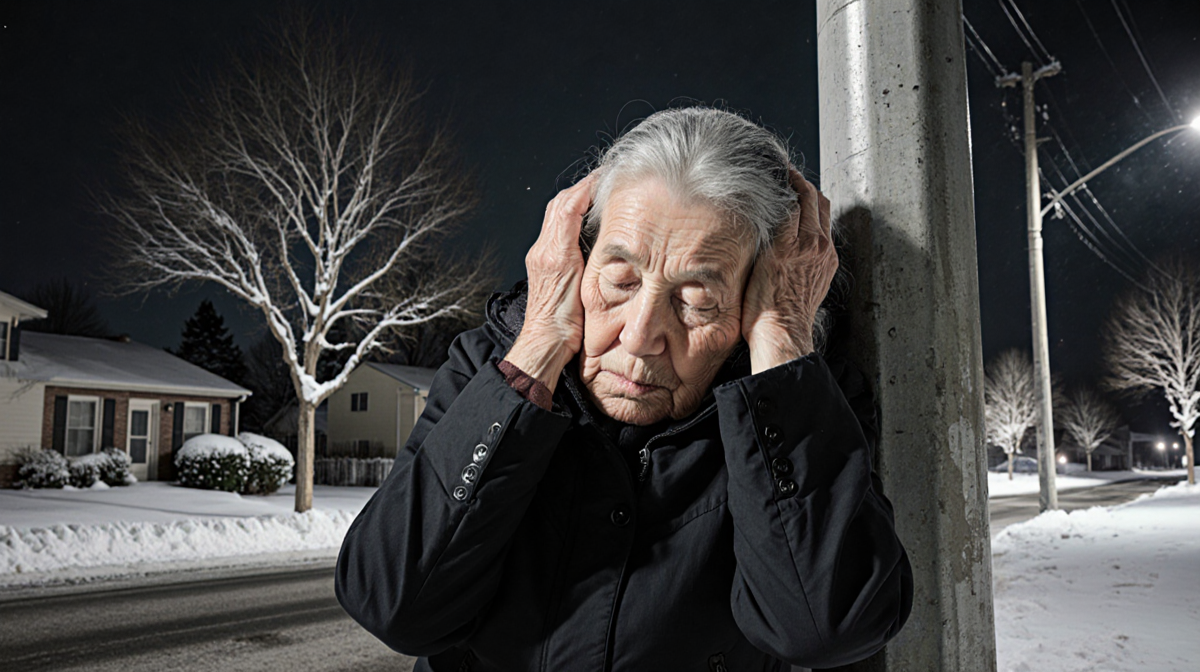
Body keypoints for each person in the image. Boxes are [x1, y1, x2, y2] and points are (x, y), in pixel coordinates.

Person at [336, 107, 913, 671]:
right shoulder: (490, 368)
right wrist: (537, 345)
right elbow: (393, 606)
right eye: (620, 281)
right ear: (576, 262)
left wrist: (782, 339)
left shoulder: (802, 405)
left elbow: (827, 628)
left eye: (696, 301)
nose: (639, 337)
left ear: (760, 295)